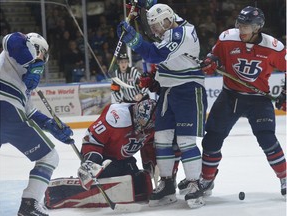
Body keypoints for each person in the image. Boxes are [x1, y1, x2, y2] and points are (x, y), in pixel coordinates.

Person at [117, 3, 208, 209]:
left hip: (188, 89)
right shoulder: (169, 21)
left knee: (185, 140)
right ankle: (167, 183)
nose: (155, 31)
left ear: (167, 21)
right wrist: (143, 7)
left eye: (157, 26)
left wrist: (133, 39)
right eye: (154, 26)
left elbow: (155, 55)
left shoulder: (183, 33)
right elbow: (157, 10)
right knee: (161, 139)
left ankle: (195, 183)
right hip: (168, 90)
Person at [197, 6, 286, 199]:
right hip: (230, 96)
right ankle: (206, 179)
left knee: (267, 139)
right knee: (212, 139)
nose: (242, 30)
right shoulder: (227, 38)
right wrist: (211, 62)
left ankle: (285, 177)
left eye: (247, 26)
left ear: (258, 27)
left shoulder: (274, 47)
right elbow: (213, 56)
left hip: (259, 99)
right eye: (240, 24)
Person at [0, 32, 74, 216]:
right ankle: (29, 205)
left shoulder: (21, 84)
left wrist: (51, 125)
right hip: (6, 110)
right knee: (49, 157)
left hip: (8, 111)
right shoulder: (13, 51)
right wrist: (35, 63)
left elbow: (30, 112)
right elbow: (10, 40)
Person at [77, 99, 157, 201]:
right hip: (103, 159)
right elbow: (92, 138)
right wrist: (91, 161)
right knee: (110, 173)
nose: (143, 131)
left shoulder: (155, 123)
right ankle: (88, 174)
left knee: (139, 186)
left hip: (124, 159)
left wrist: (150, 162)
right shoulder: (115, 117)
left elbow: (150, 144)